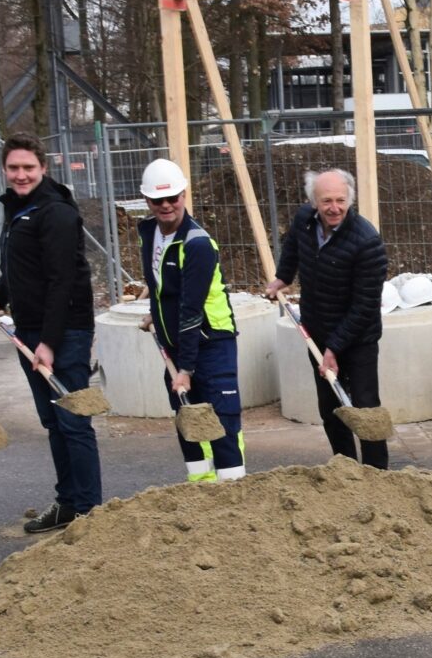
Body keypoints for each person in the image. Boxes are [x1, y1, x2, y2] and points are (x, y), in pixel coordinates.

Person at [0, 133, 102, 532]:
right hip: (30, 331)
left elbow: (63, 281)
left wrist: (48, 342)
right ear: (5, 170)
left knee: (73, 420)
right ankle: (68, 503)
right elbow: (19, 269)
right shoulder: (20, 209)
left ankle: (89, 513)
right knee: (52, 420)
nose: (21, 174)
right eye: (14, 168)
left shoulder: (55, 212)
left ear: (43, 168)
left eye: (29, 167)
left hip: (65, 332)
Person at [267, 167, 389, 469]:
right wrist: (283, 278)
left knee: (364, 408)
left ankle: (378, 476)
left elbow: (365, 305)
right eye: (326, 201)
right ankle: (344, 470)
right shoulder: (304, 221)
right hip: (317, 331)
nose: (334, 208)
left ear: (350, 199)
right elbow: (293, 247)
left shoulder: (367, 242)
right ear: (313, 202)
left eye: (340, 200)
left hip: (358, 337)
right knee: (331, 408)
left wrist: (335, 348)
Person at [138, 158, 244, 482]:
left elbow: (191, 308)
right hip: (178, 342)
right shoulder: (149, 233)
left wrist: (185, 369)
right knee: (188, 418)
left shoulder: (197, 244)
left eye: (174, 197)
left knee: (220, 421)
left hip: (211, 340)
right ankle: (201, 493)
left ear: (185, 194)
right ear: (147, 201)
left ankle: (233, 493)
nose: (167, 205)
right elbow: (162, 288)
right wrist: (155, 315)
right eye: (158, 200)